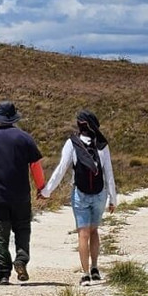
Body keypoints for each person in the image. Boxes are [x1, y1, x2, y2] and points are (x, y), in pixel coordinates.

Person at [39, 109, 117, 285]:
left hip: (80, 193)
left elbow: (61, 169)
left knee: (83, 234)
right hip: (100, 193)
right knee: (94, 230)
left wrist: (46, 191)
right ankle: (95, 268)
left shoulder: (72, 143)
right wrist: (113, 199)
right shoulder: (102, 145)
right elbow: (109, 173)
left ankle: (85, 274)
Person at [0, 100, 46, 285]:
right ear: (13, 118)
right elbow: (35, 166)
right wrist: (41, 187)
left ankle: (3, 274)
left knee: (1, 233)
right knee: (22, 229)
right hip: (21, 195)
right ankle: (21, 260)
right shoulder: (25, 138)